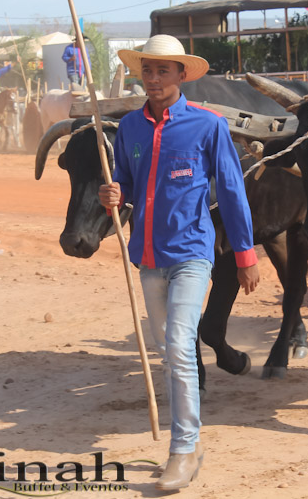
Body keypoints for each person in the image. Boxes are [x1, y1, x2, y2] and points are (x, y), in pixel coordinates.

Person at [98, 34, 259, 491]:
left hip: (191, 253)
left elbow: (232, 191)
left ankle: (183, 449)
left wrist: (246, 255)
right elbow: (125, 184)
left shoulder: (208, 126)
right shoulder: (129, 128)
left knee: (179, 346)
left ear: (181, 75)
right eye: (147, 70)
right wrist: (112, 194)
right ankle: (191, 443)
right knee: (170, 354)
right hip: (148, 258)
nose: (153, 78)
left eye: (162, 70)